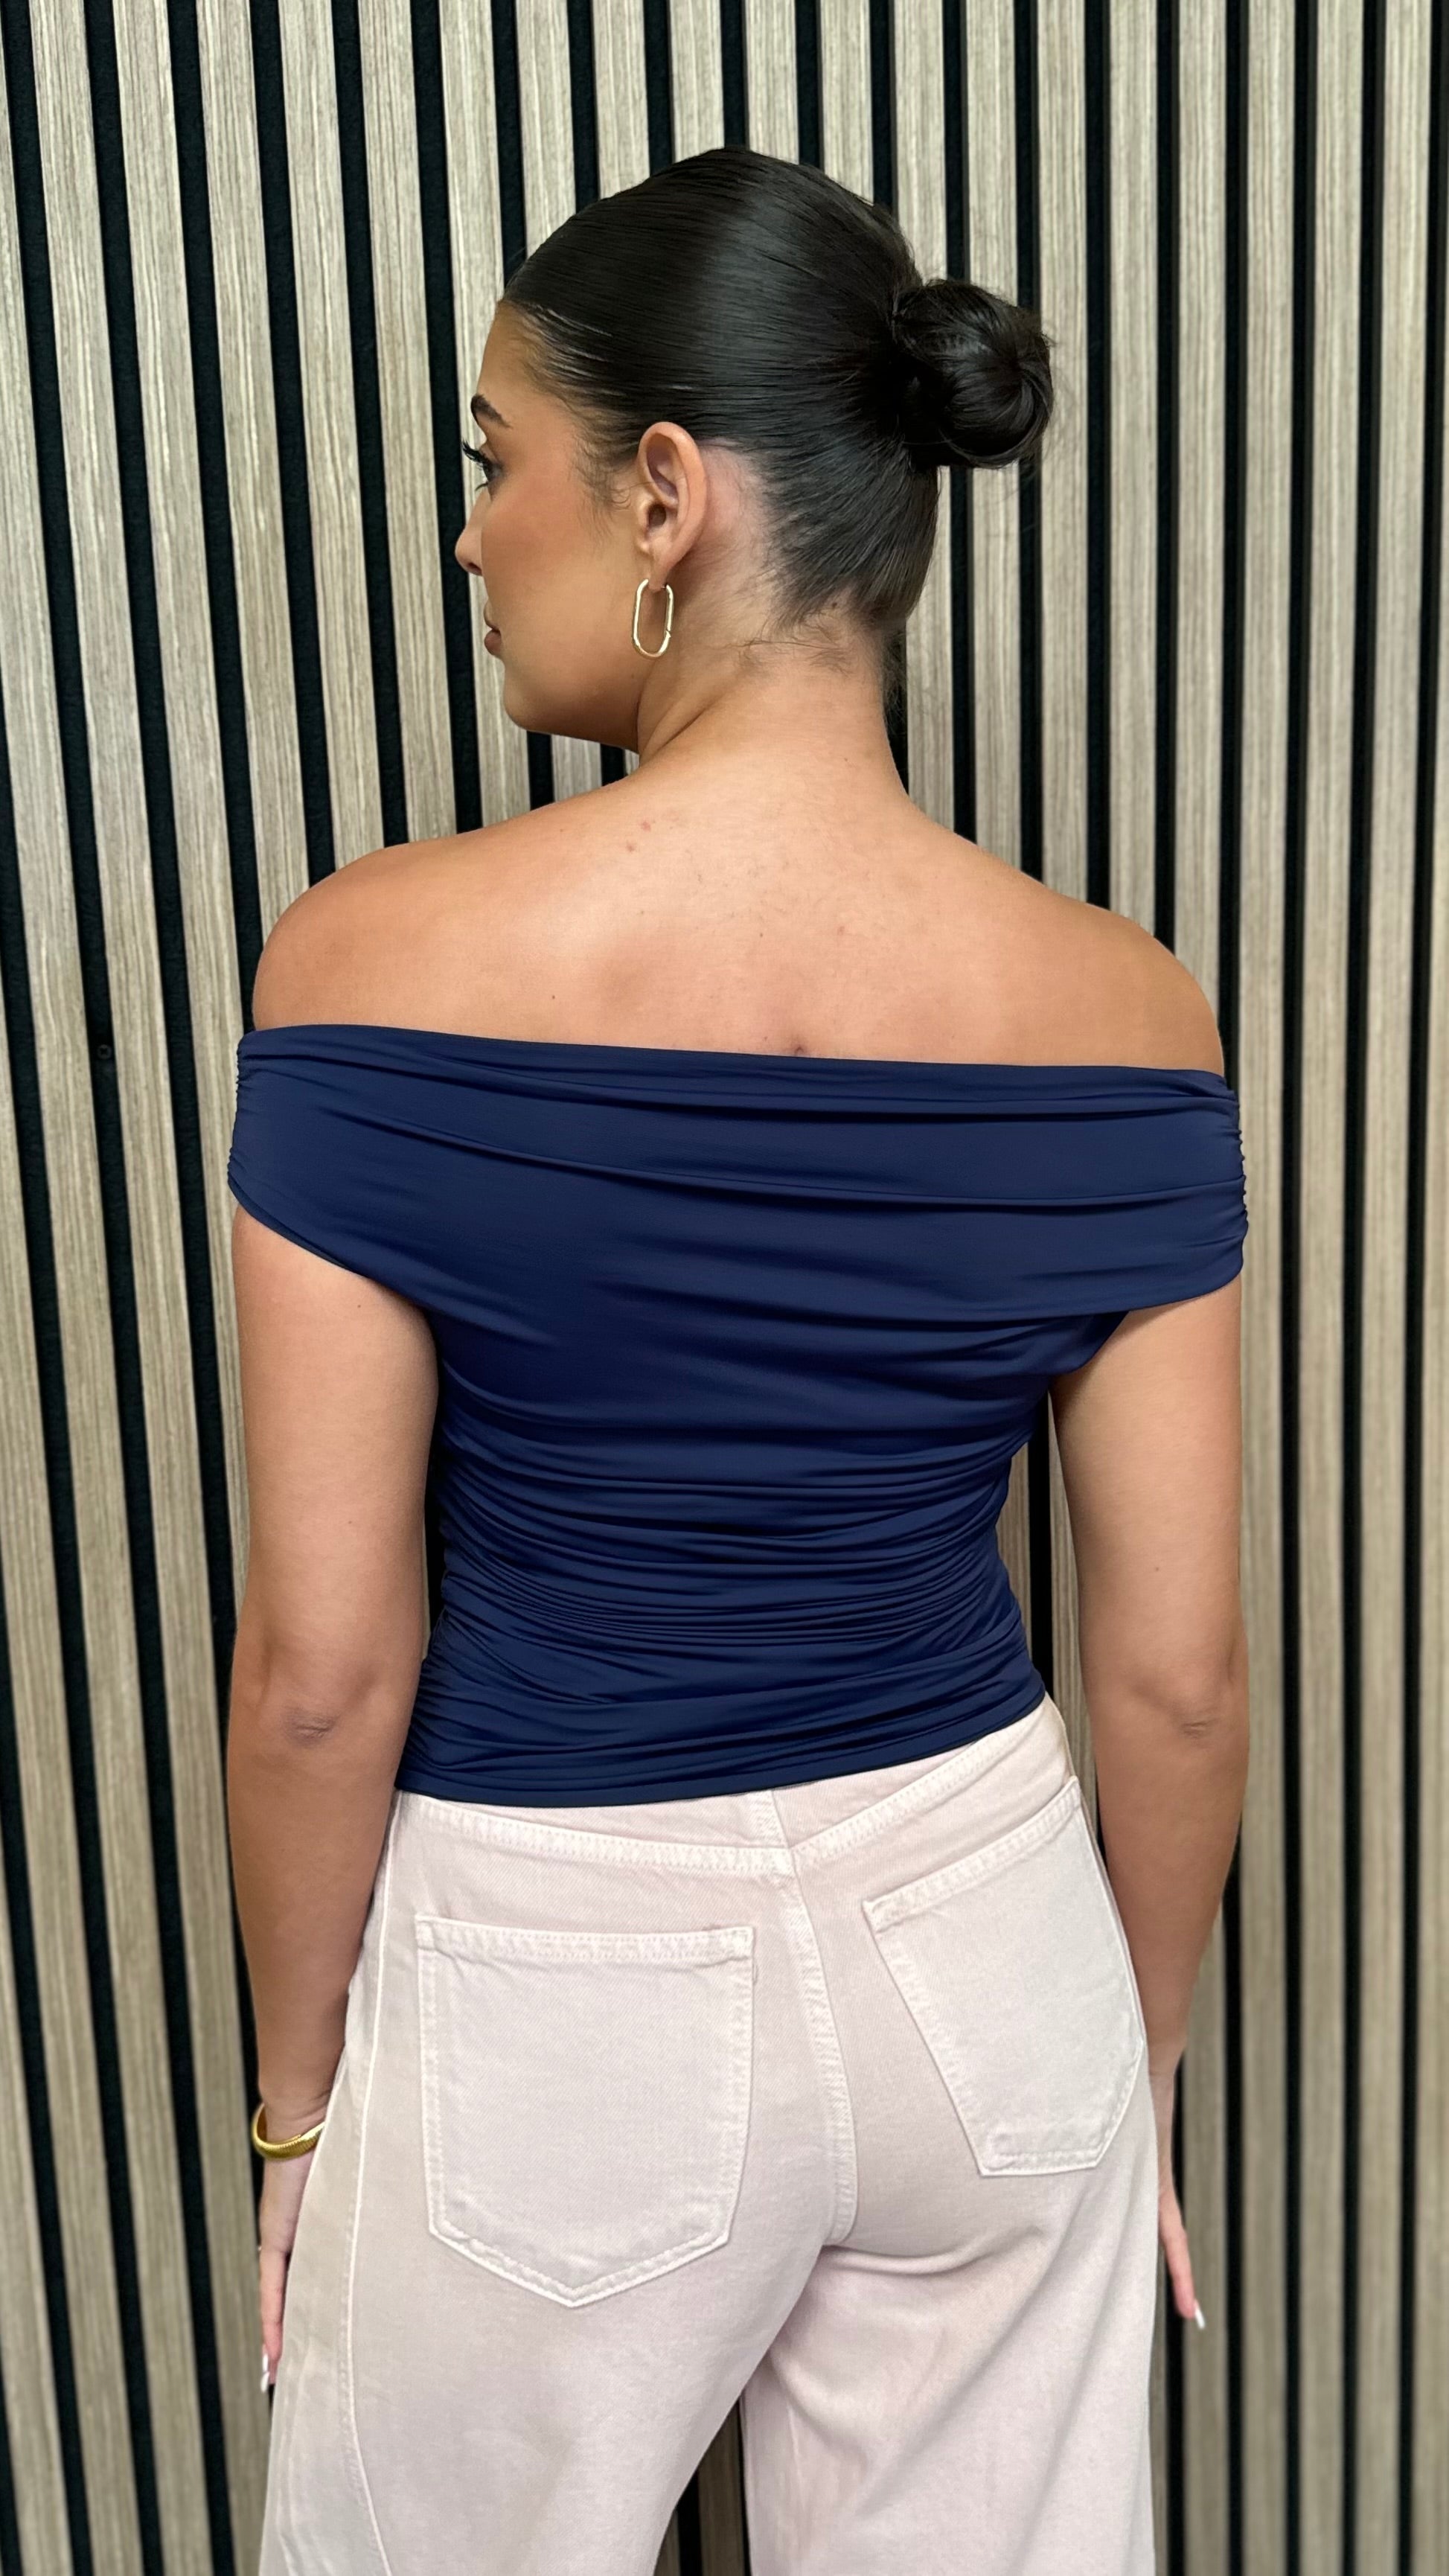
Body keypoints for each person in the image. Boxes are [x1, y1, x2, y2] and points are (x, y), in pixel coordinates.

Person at [225, 144, 1249, 2576]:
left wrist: (298, 2114)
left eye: (497, 459)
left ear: (662, 495)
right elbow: (1178, 1677)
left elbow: (321, 1676)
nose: (471, 534)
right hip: (986, 1935)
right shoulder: (1128, 1010)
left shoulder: (370, 965)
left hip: (557, 1970)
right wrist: (1124, 2062)